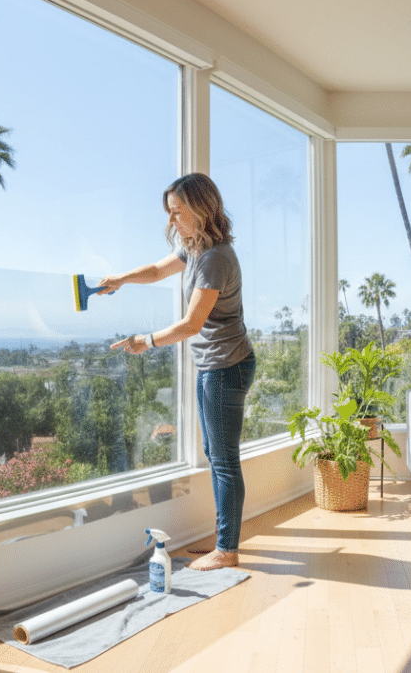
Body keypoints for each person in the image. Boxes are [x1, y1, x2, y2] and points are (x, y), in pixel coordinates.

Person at [102, 173, 255, 571]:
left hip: (226, 366)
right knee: (216, 454)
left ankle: (227, 549)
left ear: (200, 210)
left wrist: (146, 341)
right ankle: (226, 541)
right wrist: (120, 279)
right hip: (215, 364)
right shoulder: (196, 248)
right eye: (170, 213)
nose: (172, 222)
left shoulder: (216, 258)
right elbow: (156, 271)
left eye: (177, 213)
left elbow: (191, 325)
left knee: (223, 460)